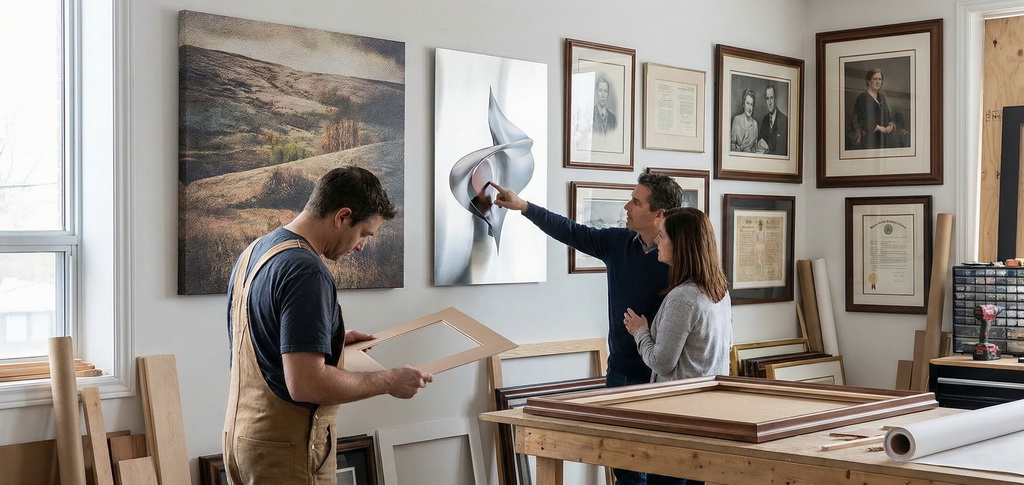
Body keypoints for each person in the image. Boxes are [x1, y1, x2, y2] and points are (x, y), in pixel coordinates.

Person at [223, 166, 434, 484]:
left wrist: (326, 340)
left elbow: (263, 336)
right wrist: (389, 381)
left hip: (243, 442)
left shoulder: (257, 251)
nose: (361, 245)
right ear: (342, 216)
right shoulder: (306, 270)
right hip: (287, 453)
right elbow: (306, 384)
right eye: (364, 233)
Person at [492, 173, 682, 485]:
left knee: (668, 470)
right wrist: (523, 206)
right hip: (622, 372)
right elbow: (570, 231)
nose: (627, 207)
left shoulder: (681, 258)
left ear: (658, 214)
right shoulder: (618, 242)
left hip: (666, 378)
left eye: (636, 202)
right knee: (625, 467)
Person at [623, 207, 733, 485]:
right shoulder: (720, 291)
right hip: (707, 413)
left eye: (662, 236)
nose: (657, 241)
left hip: (677, 416)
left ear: (680, 244)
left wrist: (640, 331)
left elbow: (662, 362)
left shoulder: (683, 297)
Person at [850, 68, 902, 150]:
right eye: (874, 79)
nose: (877, 82)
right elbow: (858, 121)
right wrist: (878, 128)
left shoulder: (882, 97)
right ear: (868, 81)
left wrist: (890, 126)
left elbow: (887, 117)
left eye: (880, 79)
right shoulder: (862, 98)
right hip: (870, 139)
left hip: (884, 138)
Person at [757, 84, 788, 155]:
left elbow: (783, 150)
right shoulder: (765, 119)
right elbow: (760, 140)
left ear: (775, 98)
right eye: (767, 98)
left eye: (771, 98)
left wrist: (768, 148)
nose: (769, 102)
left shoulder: (785, 120)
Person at [730, 88, 758, 152]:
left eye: (751, 104)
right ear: (743, 105)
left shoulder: (755, 124)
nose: (749, 108)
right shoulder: (736, 120)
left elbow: (755, 149)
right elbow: (732, 145)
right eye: (747, 103)